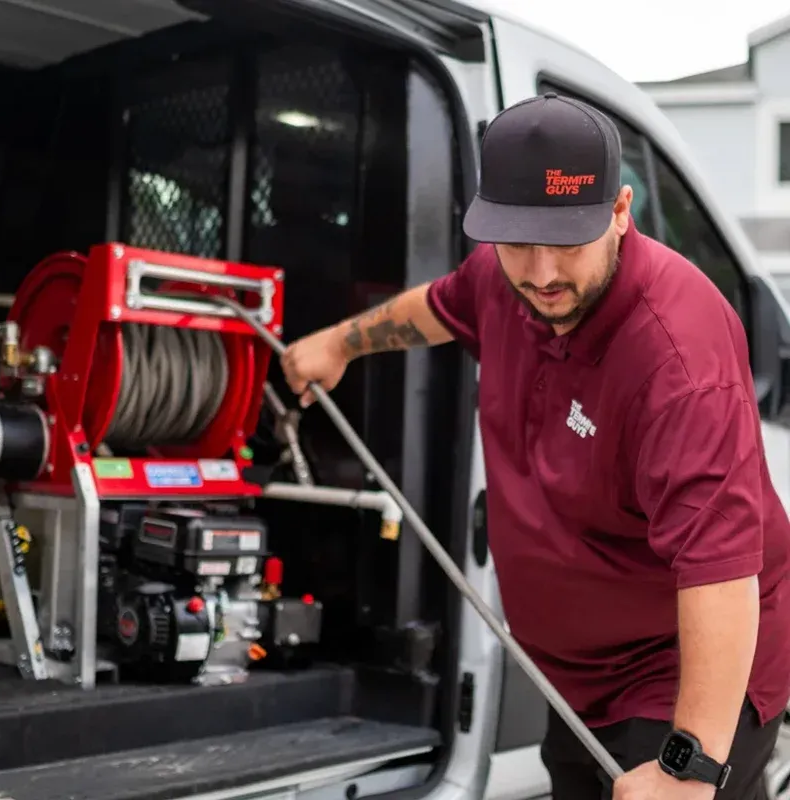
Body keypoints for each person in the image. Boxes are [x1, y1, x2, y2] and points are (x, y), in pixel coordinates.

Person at [279, 92, 790, 800]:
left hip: (679, 679)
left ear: (620, 212)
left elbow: (720, 572)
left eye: (567, 243)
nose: (543, 274)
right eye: (518, 242)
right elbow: (440, 306)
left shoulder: (678, 360)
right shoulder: (504, 279)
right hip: (576, 679)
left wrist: (691, 767)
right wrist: (339, 344)